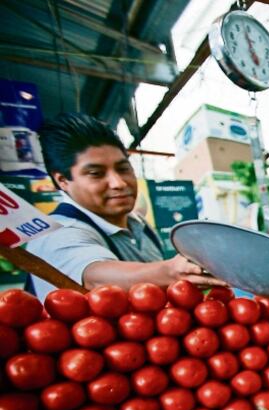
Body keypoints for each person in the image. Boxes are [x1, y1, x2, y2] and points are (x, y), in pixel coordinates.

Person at [27, 113, 223, 301]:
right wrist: (171, 272)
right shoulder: (56, 234)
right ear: (63, 181)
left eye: (123, 169)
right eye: (96, 173)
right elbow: (95, 278)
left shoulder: (139, 225)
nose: (118, 183)